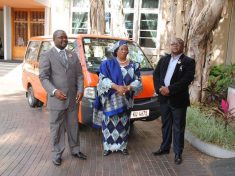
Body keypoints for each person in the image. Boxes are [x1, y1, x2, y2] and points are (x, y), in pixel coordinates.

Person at [39, 30, 87, 166]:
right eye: (61, 37)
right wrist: (54, 91)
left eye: (65, 37)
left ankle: (76, 150)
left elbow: (79, 75)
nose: (64, 39)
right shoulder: (47, 55)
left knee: (73, 126)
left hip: (72, 99)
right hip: (57, 100)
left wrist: (80, 89)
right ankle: (57, 154)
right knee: (57, 128)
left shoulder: (72, 55)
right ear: (54, 39)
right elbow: (43, 77)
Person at [93, 40, 143, 156]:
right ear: (116, 51)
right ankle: (107, 147)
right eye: (122, 49)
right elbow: (102, 79)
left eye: (126, 49)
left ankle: (122, 146)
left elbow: (138, 81)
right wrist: (116, 87)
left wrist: (129, 87)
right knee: (108, 123)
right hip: (110, 100)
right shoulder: (107, 64)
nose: (124, 51)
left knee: (123, 123)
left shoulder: (134, 65)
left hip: (126, 99)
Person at [152, 37, 195, 165]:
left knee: (178, 127)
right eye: (172, 43)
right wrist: (161, 89)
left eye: (178, 44)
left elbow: (186, 80)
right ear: (170, 46)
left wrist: (169, 89)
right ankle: (164, 148)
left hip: (178, 100)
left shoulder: (188, 62)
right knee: (165, 125)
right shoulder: (164, 60)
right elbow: (156, 75)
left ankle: (177, 153)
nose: (174, 45)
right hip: (164, 99)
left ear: (183, 46)